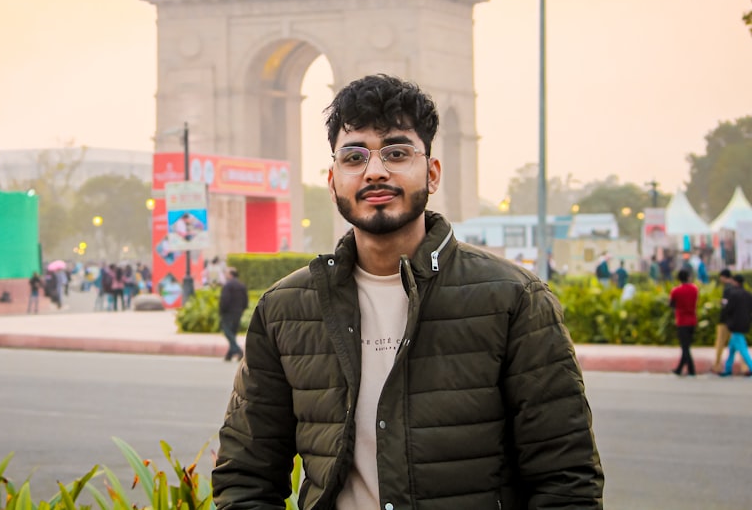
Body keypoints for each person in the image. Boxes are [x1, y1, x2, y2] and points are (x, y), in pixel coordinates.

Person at [212, 74, 603, 509]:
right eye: (353, 156)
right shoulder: (285, 310)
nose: (375, 171)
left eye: (397, 153)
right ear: (332, 180)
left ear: (432, 173)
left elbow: (566, 481)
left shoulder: (513, 300)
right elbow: (246, 476)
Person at [719, 275, 752, 377]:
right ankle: (727, 368)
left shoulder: (733, 294)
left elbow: (728, 309)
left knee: (742, 349)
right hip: (745, 323)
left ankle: (751, 366)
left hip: (735, 324)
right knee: (732, 347)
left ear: (735, 282)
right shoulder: (748, 295)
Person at [669, 268, 699, 376]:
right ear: (688, 277)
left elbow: (671, 304)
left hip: (682, 321)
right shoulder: (694, 289)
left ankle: (691, 369)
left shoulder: (676, 291)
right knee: (686, 345)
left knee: (685, 346)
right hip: (692, 320)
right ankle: (680, 368)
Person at [218, 267, 249, 362]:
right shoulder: (241, 285)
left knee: (227, 331)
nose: (225, 275)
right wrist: (242, 309)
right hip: (238, 312)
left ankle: (238, 351)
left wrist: (222, 310)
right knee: (233, 333)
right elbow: (245, 300)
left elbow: (225, 299)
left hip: (228, 312)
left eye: (227, 273)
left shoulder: (228, 285)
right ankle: (229, 354)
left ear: (231, 275)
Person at [712, 269, 739, 374]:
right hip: (735, 321)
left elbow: (725, 305)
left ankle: (717, 366)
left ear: (723, 277)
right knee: (736, 345)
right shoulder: (736, 287)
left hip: (725, 321)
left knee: (720, 344)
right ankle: (742, 367)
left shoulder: (727, 289)